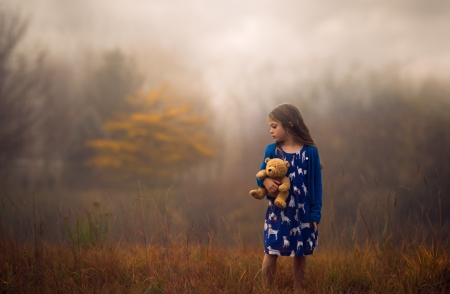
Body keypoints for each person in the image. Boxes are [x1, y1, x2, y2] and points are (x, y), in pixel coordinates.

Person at [254, 103, 322, 292]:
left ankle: (298, 289)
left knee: (300, 253)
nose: (271, 130)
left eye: (274, 126)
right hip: (278, 211)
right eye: (270, 127)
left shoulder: (310, 152)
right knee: (271, 250)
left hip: (302, 213)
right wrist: (265, 182)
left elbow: (316, 184)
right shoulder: (272, 151)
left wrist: (315, 214)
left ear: (289, 125)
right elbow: (260, 174)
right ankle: (265, 290)